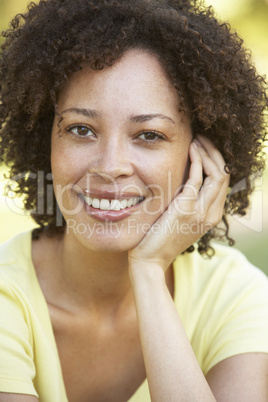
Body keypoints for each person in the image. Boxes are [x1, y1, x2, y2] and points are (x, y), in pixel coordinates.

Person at [0, 0, 268, 400]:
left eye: (149, 135)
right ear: (45, 142)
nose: (110, 167)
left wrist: (148, 271)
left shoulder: (235, 295)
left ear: (199, 158)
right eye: (81, 129)